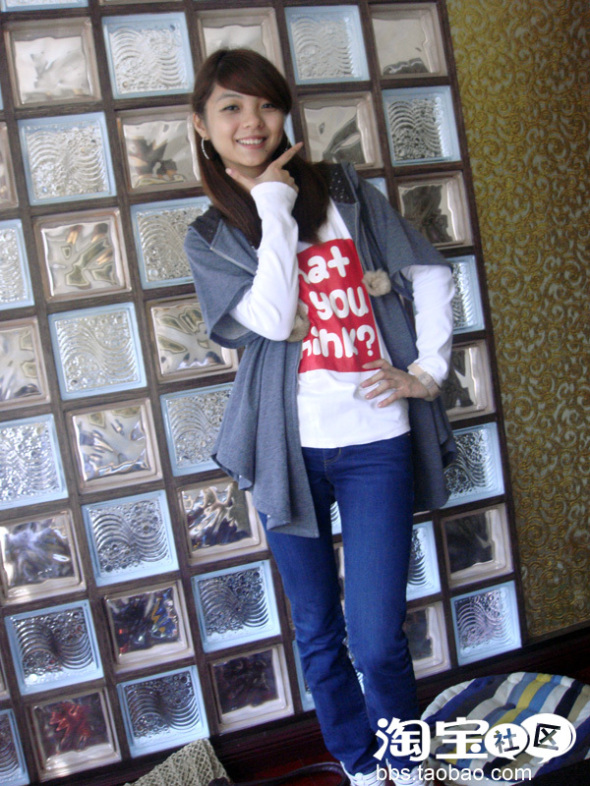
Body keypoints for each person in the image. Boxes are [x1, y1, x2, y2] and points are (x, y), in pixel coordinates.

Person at [185, 48, 456, 786]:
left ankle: (406, 764)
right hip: (285, 450)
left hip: (374, 441)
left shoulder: (340, 188)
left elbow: (430, 270)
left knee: (377, 639)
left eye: (266, 105)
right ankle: (361, 764)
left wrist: (428, 373)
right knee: (317, 628)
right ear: (202, 125)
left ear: (284, 113)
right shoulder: (210, 235)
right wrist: (272, 206)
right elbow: (273, 320)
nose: (252, 122)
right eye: (231, 107)